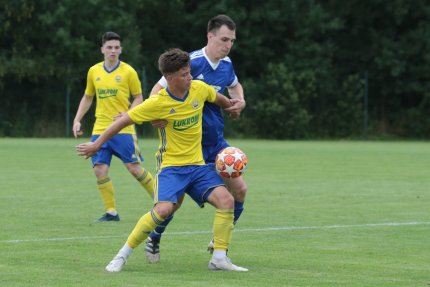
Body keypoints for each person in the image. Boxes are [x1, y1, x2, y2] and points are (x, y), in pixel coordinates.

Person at [76, 48, 248, 272]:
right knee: (164, 209)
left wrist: (233, 107)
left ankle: (218, 258)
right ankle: (122, 255)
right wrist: (96, 144)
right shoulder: (157, 103)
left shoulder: (199, 89)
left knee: (227, 200)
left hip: (197, 166)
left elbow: (219, 98)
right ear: (169, 78)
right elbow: (123, 121)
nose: (190, 78)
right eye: (184, 74)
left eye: (189, 72)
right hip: (171, 168)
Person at [146, 14, 247, 262]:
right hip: (186, 147)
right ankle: (154, 237)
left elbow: (234, 86)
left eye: (232, 40)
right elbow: (156, 92)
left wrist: (240, 101)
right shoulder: (191, 63)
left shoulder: (226, 64)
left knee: (240, 190)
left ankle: (219, 244)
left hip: (216, 143)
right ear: (209, 36)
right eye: (224, 39)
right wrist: (154, 117)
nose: (228, 45)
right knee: (174, 203)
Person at [72, 31, 154, 222]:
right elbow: (88, 97)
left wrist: (128, 114)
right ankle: (111, 212)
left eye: (116, 47)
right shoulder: (94, 71)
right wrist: (77, 119)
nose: (113, 50)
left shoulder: (128, 72)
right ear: (102, 49)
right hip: (100, 126)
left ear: (121, 50)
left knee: (133, 168)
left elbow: (139, 97)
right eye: (109, 47)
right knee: (99, 169)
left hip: (123, 127)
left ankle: (160, 198)